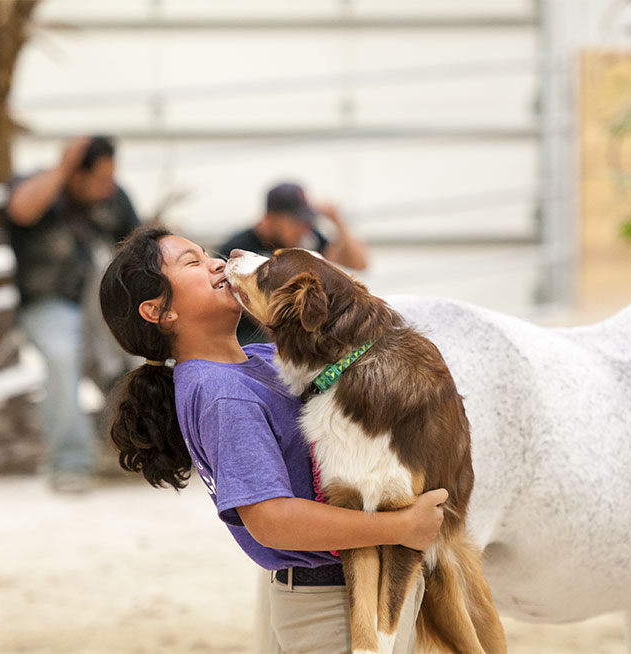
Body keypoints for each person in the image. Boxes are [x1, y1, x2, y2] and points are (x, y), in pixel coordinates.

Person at [98, 225, 447, 654]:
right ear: (158, 311)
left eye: (207, 252)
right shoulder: (221, 392)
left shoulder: (264, 360)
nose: (216, 261)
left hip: (359, 588)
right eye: (192, 262)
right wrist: (401, 526)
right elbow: (270, 520)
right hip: (331, 606)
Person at [4, 135, 139, 492]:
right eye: (99, 179)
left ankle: (142, 448)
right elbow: (20, 209)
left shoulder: (115, 197)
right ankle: (69, 463)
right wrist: (62, 168)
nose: (107, 187)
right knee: (62, 359)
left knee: (144, 355)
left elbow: (140, 249)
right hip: (49, 304)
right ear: (75, 174)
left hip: (105, 305)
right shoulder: (39, 188)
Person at [219, 182, 368, 344]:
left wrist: (338, 222)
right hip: (253, 339)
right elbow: (265, 319)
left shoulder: (305, 239)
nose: (303, 228)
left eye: (306, 221)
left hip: (297, 333)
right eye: (296, 221)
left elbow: (359, 263)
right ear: (270, 217)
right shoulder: (240, 248)